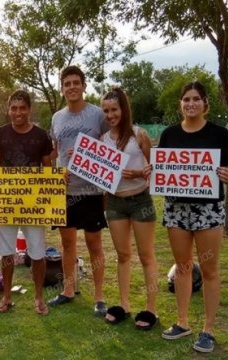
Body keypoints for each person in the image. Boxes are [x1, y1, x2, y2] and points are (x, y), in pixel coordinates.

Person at [151, 82, 228, 352]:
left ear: (205, 102)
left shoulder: (219, 134)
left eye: (195, 99)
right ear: (180, 103)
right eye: (186, 99)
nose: (190, 104)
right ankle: (183, 322)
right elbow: (162, 168)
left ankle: (208, 330)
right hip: (177, 210)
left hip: (208, 210)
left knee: (209, 270)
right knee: (182, 266)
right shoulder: (169, 134)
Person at [48, 65, 109, 316]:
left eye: (76, 82)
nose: (72, 87)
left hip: (93, 189)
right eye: (67, 83)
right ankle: (68, 290)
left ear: (84, 86)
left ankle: (99, 296)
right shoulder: (56, 117)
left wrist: (89, 155)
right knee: (67, 242)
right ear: (62, 89)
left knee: (94, 243)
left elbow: (111, 149)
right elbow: (54, 151)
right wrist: (52, 176)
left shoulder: (98, 115)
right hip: (65, 190)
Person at [0, 89, 52, 315]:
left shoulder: (42, 135)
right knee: (6, 252)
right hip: (6, 201)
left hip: (34, 203)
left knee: (37, 253)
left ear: (29, 109)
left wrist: (54, 189)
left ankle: (38, 298)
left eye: (22, 108)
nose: (18, 112)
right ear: (8, 110)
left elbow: (48, 170)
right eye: (13, 108)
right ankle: (6, 296)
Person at [99, 87, 159, 329]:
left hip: (140, 201)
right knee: (123, 255)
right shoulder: (102, 141)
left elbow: (155, 171)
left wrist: (139, 173)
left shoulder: (139, 135)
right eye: (106, 111)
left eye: (114, 109)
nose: (110, 115)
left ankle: (151, 309)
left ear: (123, 109)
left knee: (146, 256)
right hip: (115, 203)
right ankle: (124, 305)